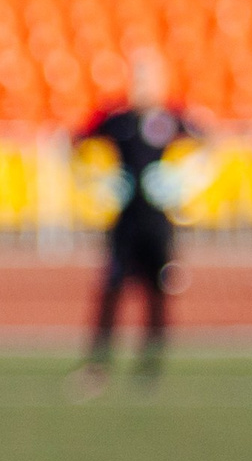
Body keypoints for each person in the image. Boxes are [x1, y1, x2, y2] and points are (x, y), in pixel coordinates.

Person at [73, 50, 205, 394]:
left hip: (159, 222)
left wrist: (181, 181)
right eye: (139, 79)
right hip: (126, 221)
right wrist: (96, 182)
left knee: (157, 293)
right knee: (113, 289)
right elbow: (76, 143)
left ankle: (150, 368)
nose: (144, 87)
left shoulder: (174, 117)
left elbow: (207, 148)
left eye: (150, 79)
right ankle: (98, 364)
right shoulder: (116, 118)